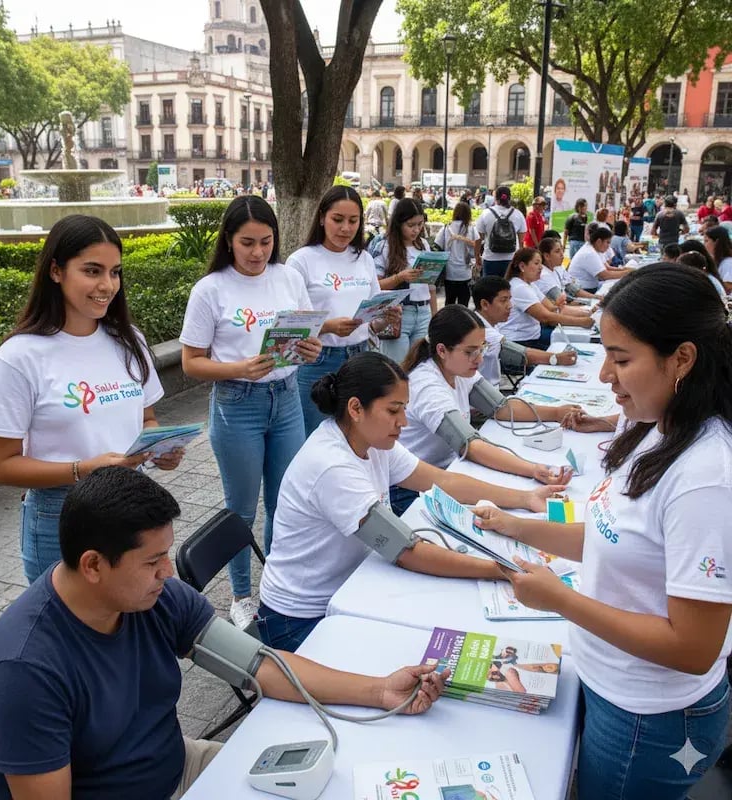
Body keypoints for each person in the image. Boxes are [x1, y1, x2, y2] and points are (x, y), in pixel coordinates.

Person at [0, 466, 449, 800]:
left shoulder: (151, 597)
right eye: (152, 561)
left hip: (178, 766)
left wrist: (380, 690)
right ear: (94, 565)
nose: (167, 572)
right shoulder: (23, 672)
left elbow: (261, 665)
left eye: (167, 556)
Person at [475, 263, 732, 800]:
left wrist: (561, 601)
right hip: (610, 685)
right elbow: (611, 533)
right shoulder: (654, 425)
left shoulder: (707, 478)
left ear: (682, 358)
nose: (604, 376)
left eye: (621, 359)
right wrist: (513, 526)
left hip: (650, 718)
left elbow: (693, 647)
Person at [256, 352, 567, 651]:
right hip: (300, 620)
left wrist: (525, 498)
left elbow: (442, 480)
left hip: (353, 584)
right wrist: (506, 570)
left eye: (404, 408)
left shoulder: (373, 440)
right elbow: (406, 551)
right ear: (355, 408)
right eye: (393, 410)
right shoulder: (332, 466)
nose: (403, 422)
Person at [0, 214, 181, 585]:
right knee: (70, 637)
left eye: (115, 272)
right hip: (60, 515)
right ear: (56, 271)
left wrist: (158, 449)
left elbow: (147, 419)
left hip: (131, 509)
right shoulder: (20, 356)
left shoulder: (128, 340)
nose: (107, 285)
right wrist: (81, 469)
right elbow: (0, 466)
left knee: (130, 627)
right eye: (92, 271)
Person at [180, 196, 322, 628]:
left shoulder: (287, 276)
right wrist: (239, 368)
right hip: (237, 403)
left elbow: (301, 335)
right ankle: (241, 595)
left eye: (265, 241)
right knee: (241, 508)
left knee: (286, 500)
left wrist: (309, 350)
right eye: (247, 243)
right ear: (228, 241)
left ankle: (280, 583)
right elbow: (191, 362)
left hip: (287, 398)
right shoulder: (211, 289)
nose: (258, 252)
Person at [393, 306, 573, 514]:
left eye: (482, 348)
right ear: (442, 350)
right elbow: (469, 446)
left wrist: (558, 413)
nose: (479, 359)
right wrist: (532, 469)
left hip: (447, 470)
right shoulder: (427, 386)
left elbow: (503, 408)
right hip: (411, 489)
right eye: (470, 352)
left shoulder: (459, 369)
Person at [286, 185, 396, 435]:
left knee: (354, 434)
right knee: (313, 435)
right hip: (317, 360)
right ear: (322, 217)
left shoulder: (364, 258)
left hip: (359, 357)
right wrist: (328, 327)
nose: (346, 228)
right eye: (338, 219)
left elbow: (371, 319)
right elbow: (288, 325)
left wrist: (384, 317)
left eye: (353, 221)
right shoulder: (301, 261)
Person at [471, 276, 582, 386]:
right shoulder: (483, 332)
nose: (510, 306)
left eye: (510, 299)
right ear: (485, 304)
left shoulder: (488, 323)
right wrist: (555, 358)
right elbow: (520, 353)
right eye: (504, 300)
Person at [373, 197, 436, 363]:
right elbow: (374, 285)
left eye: (420, 224)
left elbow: (431, 286)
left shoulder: (423, 244)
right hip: (399, 314)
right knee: (397, 368)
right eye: (411, 225)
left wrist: (435, 315)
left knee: (421, 367)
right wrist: (399, 277)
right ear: (399, 223)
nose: (416, 230)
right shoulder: (384, 246)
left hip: (423, 312)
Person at [499, 247, 594, 350]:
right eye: (536, 264)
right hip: (520, 341)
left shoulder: (530, 284)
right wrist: (581, 322)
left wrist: (588, 313)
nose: (541, 268)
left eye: (541, 264)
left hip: (533, 336)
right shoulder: (520, 287)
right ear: (522, 266)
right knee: (572, 346)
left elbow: (551, 308)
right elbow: (546, 317)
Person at [475, 185, 526, 277]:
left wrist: (477, 256)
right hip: (511, 260)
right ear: (509, 198)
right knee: (509, 288)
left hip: (490, 259)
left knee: (490, 289)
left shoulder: (486, 213)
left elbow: (478, 238)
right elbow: (521, 241)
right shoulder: (518, 214)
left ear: (495, 198)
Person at [435, 201, 477, 306]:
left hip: (449, 273)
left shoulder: (445, 228)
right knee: (463, 305)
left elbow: (437, 245)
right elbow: (478, 246)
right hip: (465, 273)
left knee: (449, 303)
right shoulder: (471, 229)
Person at [568, 226, 635, 293]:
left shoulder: (595, 249)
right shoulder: (589, 253)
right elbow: (604, 275)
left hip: (588, 287)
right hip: (582, 289)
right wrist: (628, 272)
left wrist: (624, 269)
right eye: (607, 242)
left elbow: (606, 268)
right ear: (599, 241)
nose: (609, 246)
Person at [536, 237, 595, 303]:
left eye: (562, 250)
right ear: (547, 256)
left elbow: (572, 289)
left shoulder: (557, 268)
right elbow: (562, 303)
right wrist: (589, 303)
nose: (562, 254)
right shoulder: (544, 275)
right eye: (557, 251)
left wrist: (595, 298)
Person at [704, 225, 732, 293]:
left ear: (716, 242)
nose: (704, 244)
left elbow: (728, 288)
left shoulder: (728, 263)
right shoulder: (718, 260)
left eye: (706, 241)